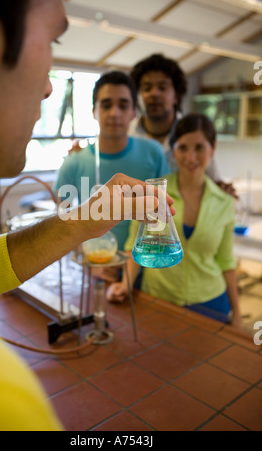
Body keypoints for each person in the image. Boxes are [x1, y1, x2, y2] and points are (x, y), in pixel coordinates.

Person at [0, 0, 175, 431]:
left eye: (123, 104)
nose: (46, 89)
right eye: (53, 41)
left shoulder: (153, 155)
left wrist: (76, 225)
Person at [107, 113, 242, 330]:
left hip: (211, 304)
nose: (190, 157)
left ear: (213, 148)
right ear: (174, 151)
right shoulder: (153, 193)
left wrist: (237, 313)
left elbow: (226, 261)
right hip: (159, 299)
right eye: (183, 148)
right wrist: (125, 285)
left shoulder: (225, 202)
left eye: (199, 147)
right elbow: (135, 245)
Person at [53, 70, 170, 253]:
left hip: (145, 264)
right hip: (95, 266)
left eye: (123, 106)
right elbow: (60, 223)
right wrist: (87, 254)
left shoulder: (153, 153)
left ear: (134, 112)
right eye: (106, 105)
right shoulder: (74, 162)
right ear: (94, 111)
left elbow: (168, 211)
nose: (115, 113)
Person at [129, 53, 237, 197]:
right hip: (141, 215)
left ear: (176, 95)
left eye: (162, 87)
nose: (154, 93)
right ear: (138, 95)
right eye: (147, 88)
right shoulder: (128, 136)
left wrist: (222, 189)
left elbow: (213, 181)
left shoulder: (195, 134)